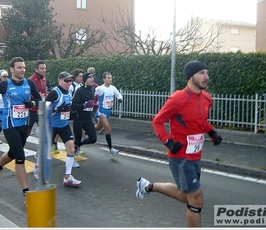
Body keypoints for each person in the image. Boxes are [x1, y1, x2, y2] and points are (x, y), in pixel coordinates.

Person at [135, 60, 223, 227]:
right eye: (202, 73)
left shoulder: (206, 98)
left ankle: (147, 186)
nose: (207, 77)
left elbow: (200, 121)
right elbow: (157, 121)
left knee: (187, 196)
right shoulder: (178, 99)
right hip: (181, 157)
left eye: (206, 73)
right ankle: (147, 187)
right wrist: (168, 141)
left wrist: (212, 132)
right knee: (196, 200)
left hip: (196, 156)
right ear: (191, 76)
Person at [0, 57, 42, 199]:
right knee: (20, 157)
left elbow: (38, 99)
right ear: (12, 69)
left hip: (24, 124)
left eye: (23, 67)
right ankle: (26, 193)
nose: (22, 70)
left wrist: (31, 104)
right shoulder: (5, 84)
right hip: (9, 125)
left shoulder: (29, 83)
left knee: (13, 152)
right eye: (19, 67)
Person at [45, 71, 82, 185]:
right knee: (45, 152)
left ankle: (67, 177)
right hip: (52, 127)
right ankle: (37, 167)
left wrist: (71, 113)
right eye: (66, 81)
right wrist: (57, 109)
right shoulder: (54, 93)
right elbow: (43, 112)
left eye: (70, 81)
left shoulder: (69, 92)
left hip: (64, 125)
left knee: (71, 150)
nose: (69, 83)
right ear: (59, 80)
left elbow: (68, 108)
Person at [94, 72, 122, 155]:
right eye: (108, 78)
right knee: (108, 129)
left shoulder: (113, 88)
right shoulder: (100, 88)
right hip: (101, 111)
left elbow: (118, 94)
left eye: (111, 77)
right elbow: (92, 94)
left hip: (108, 110)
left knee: (98, 127)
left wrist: (120, 99)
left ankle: (87, 130)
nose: (110, 79)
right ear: (104, 79)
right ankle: (111, 149)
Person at [72, 72, 97, 157]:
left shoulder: (92, 89)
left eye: (93, 77)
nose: (92, 79)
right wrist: (84, 105)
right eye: (90, 78)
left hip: (88, 119)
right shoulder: (79, 90)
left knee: (93, 139)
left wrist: (94, 106)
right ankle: (73, 156)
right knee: (77, 139)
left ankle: (77, 146)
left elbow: (91, 103)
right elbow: (73, 105)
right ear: (85, 80)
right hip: (79, 119)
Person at [27, 60, 49, 137]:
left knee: (44, 129)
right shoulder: (31, 80)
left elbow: (43, 91)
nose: (44, 70)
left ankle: (42, 148)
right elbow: (26, 94)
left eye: (45, 68)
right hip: (32, 110)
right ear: (36, 69)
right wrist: (34, 96)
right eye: (42, 68)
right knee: (28, 130)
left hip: (41, 108)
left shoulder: (44, 79)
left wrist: (45, 94)